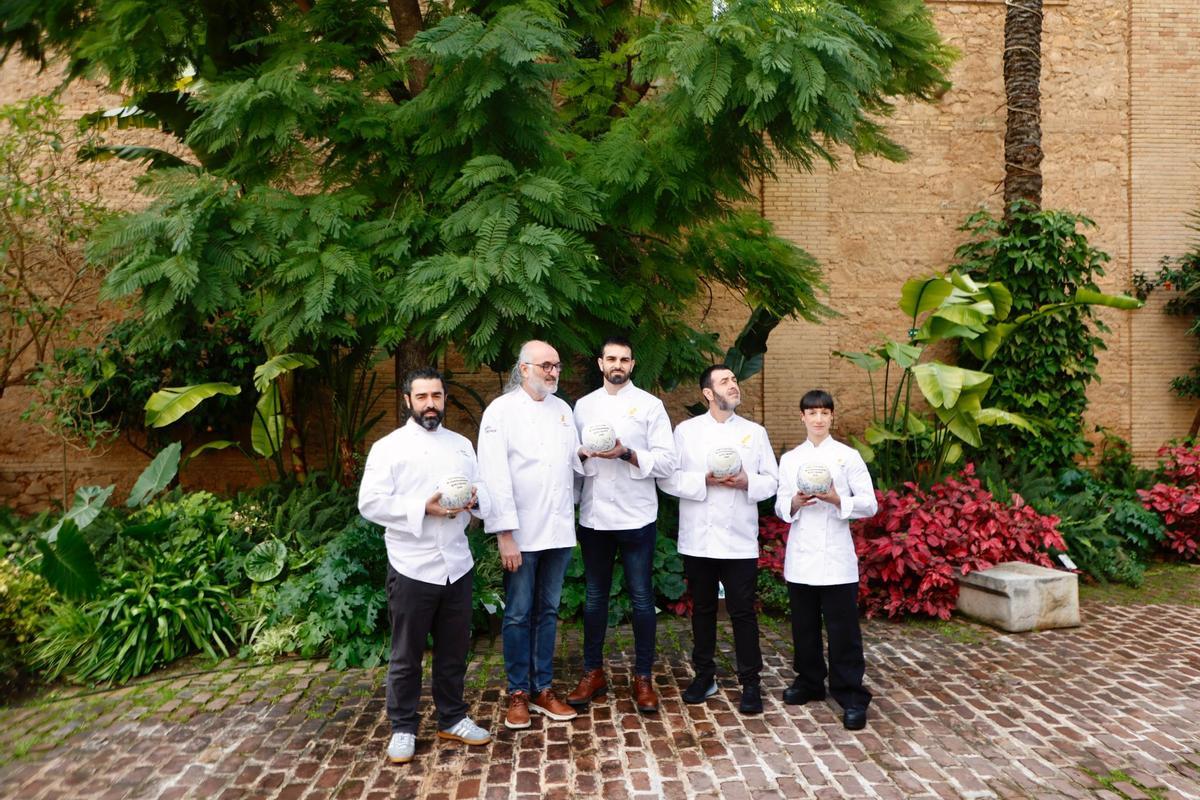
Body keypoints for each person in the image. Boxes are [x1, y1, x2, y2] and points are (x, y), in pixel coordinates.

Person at [357, 367, 494, 765]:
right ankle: (402, 726)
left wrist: (474, 501)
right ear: (407, 401)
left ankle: (452, 717)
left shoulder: (462, 444)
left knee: (454, 652)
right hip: (412, 565)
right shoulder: (388, 448)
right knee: (406, 655)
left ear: (444, 399)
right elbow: (370, 502)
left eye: (436, 396)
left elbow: (480, 486)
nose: (431, 404)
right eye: (422, 397)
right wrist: (423, 507)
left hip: (457, 563)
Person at [658, 365, 779, 714]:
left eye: (735, 380)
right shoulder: (686, 432)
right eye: (725, 382)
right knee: (703, 610)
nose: (734, 385)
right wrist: (704, 480)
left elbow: (771, 481)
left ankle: (751, 682)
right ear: (708, 393)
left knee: (743, 612)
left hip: (739, 539)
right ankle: (704, 675)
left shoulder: (755, 433)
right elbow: (668, 480)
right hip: (699, 538)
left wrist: (746, 482)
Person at [477, 340, 584, 729]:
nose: (553, 372)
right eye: (545, 366)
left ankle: (543, 689)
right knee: (519, 613)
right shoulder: (500, 412)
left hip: (557, 529)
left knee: (550, 611)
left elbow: (571, 467)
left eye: (556, 366)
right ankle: (518, 692)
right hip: (520, 532)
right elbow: (493, 476)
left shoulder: (563, 411)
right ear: (523, 369)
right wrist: (504, 533)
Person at [567, 336, 676, 714]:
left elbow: (667, 462)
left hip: (636, 515)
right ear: (600, 363)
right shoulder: (581, 407)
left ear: (632, 364)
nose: (618, 365)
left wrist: (626, 453)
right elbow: (572, 465)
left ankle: (643, 677)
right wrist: (581, 454)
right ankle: (592, 672)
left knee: (642, 598)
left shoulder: (650, 406)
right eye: (611, 358)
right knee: (595, 598)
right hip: (595, 515)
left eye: (624, 359)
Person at [774, 389, 878, 731]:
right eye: (811, 413)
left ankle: (850, 693)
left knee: (843, 630)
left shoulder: (848, 457)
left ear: (832, 417)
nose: (818, 419)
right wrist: (795, 502)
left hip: (836, 557)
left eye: (824, 413)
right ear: (802, 417)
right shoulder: (790, 459)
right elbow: (778, 504)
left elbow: (870, 503)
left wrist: (837, 499)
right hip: (802, 556)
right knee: (803, 626)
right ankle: (809, 682)